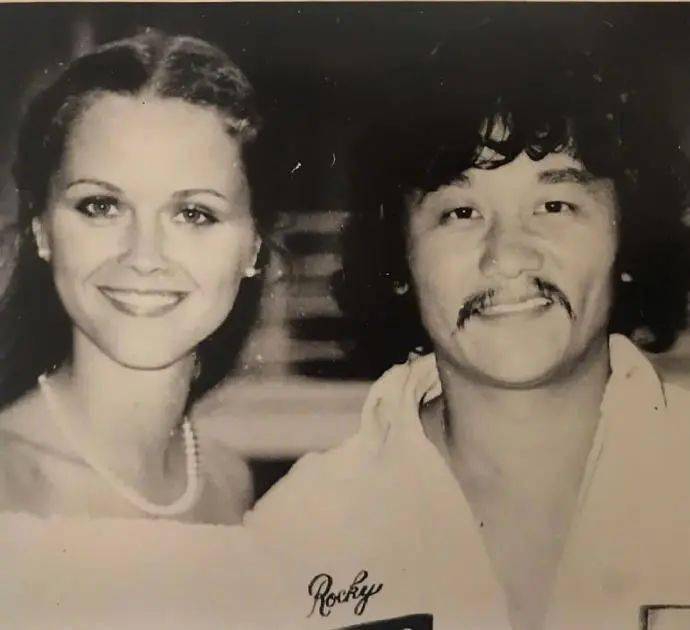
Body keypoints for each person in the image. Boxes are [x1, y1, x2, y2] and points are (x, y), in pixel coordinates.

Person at [244, 34, 690, 630]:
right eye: (460, 212)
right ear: (397, 259)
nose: (507, 256)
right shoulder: (303, 534)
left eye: (554, 206)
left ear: (628, 236)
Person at [0, 30, 272, 524]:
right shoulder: (9, 481)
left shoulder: (229, 482)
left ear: (253, 246)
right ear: (42, 230)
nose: (144, 257)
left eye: (194, 214)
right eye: (101, 206)